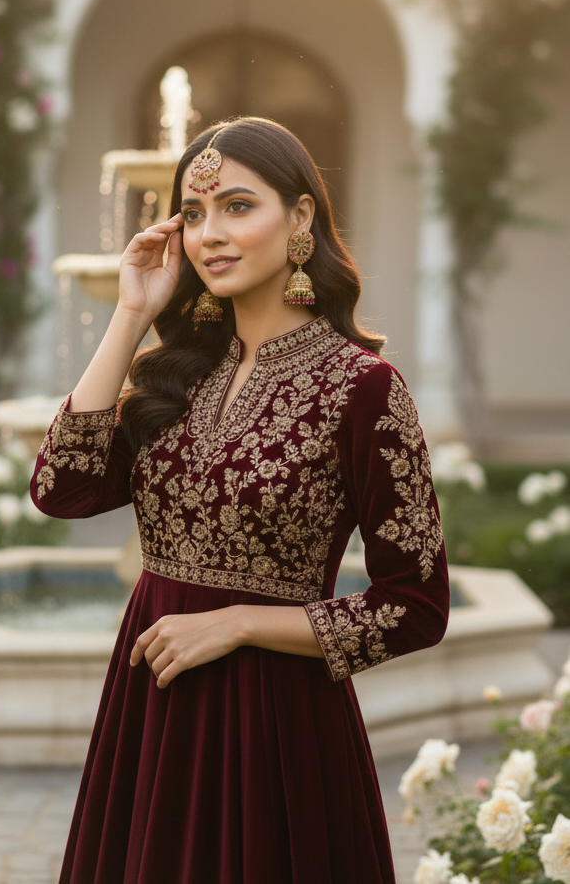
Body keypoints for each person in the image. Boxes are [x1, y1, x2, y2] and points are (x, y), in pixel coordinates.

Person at [31, 116, 450, 884]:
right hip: (150, 714)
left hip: (277, 729)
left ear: (298, 219)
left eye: (236, 206)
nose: (209, 234)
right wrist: (129, 314)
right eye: (192, 214)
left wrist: (238, 623)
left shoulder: (362, 388)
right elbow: (60, 489)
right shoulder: (176, 375)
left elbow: (414, 605)